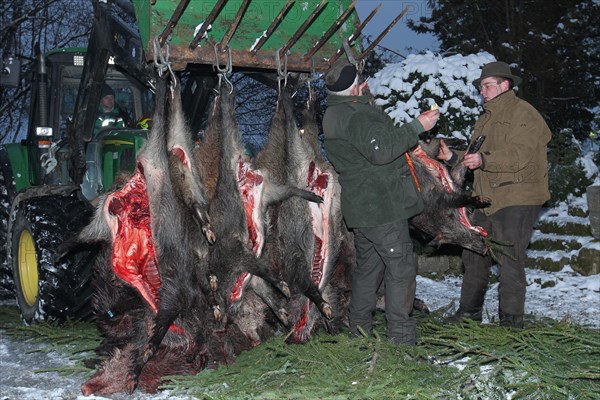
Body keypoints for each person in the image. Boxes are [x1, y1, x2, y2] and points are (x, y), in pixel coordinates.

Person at [321, 60, 440, 345]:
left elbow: (373, 144)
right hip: (381, 207)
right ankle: (401, 341)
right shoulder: (357, 114)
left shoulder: (333, 114)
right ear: (356, 85)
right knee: (401, 269)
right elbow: (381, 150)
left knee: (369, 270)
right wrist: (417, 126)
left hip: (363, 209)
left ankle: (359, 332)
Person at [438, 61, 551, 328]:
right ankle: (469, 313)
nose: (483, 91)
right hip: (486, 198)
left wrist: (485, 161)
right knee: (474, 254)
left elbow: (519, 155)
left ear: (505, 85)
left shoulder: (524, 113)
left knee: (509, 257)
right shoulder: (485, 118)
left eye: (487, 86)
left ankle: (511, 321)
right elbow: (475, 158)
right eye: (481, 87)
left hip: (517, 197)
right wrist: (453, 157)